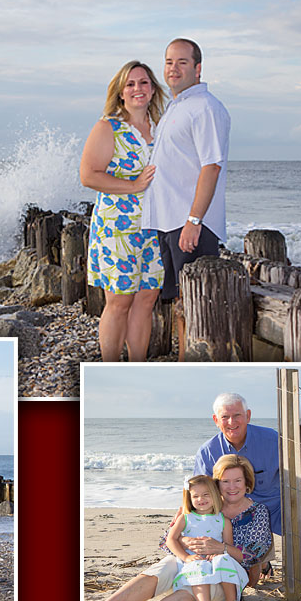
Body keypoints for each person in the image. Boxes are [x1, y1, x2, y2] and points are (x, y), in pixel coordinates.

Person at [140, 38, 231, 361]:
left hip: (190, 224)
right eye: (168, 62)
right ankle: (182, 362)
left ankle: (194, 368)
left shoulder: (206, 108)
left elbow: (212, 166)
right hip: (168, 223)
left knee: (196, 305)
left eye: (181, 62)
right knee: (180, 302)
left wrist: (194, 221)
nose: (173, 69)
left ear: (198, 68)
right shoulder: (176, 107)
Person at [194, 392, 301, 594]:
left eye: (237, 415)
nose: (231, 422)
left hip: (276, 507)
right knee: (249, 582)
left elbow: (299, 477)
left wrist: (299, 449)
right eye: (224, 417)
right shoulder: (207, 451)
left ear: (248, 416)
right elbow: (199, 495)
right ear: (216, 420)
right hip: (236, 517)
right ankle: (262, 562)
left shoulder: (271, 438)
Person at [80, 60, 166, 362]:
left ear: (153, 89)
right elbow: (89, 175)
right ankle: (109, 369)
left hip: (154, 225)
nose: (137, 89)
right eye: (130, 84)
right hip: (116, 226)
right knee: (119, 301)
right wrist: (134, 186)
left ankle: (137, 367)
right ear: (120, 93)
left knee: (146, 297)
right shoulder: (109, 128)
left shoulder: (161, 128)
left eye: (143, 82)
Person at [103, 454, 271, 601]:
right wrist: (186, 541)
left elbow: (254, 556)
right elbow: (165, 541)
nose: (231, 487)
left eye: (238, 480)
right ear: (216, 484)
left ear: (247, 482)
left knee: (191, 588)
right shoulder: (199, 506)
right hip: (189, 561)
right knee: (161, 569)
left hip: (225, 574)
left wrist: (222, 548)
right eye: (225, 481)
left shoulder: (257, 512)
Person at [165, 474, 247, 601]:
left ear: (214, 494)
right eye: (195, 496)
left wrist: (219, 553)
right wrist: (185, 557)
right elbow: (170, 540)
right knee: (199, 565)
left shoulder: (223, 521)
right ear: (189, 498)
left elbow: (228, 546)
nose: (200, 499)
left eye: (206, 494)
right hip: (194, 559)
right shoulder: (186, 518)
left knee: (224, 559)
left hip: (214, 560)